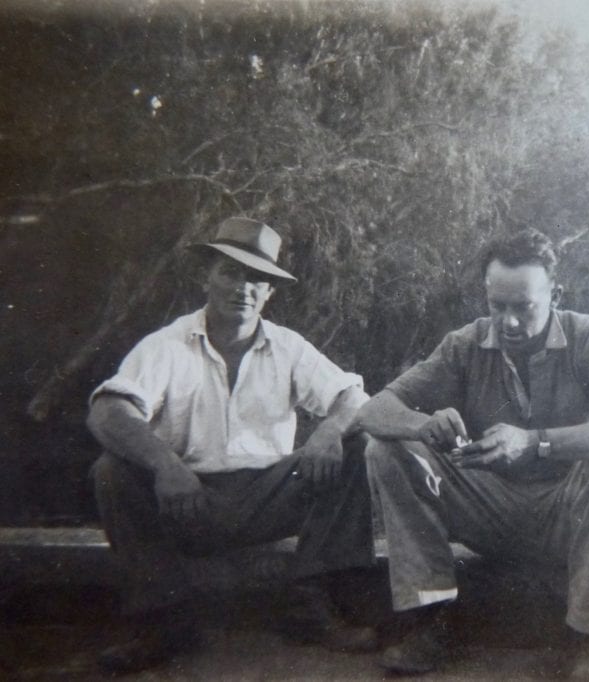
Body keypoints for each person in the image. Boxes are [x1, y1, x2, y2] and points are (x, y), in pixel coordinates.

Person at [358, 228, 589, 677]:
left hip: (568, 514)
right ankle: (432, 619)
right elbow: (374, 410)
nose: (510, 324)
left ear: (555, 294)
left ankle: (586, 635)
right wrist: (423, 425)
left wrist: (535, 441)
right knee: (387, 451)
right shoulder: (465, 344)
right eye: (496, 307)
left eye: (524, 307)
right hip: (491, 510)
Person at [87, 217, 377, 674]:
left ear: (269, 293)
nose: (243, 287)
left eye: (258, 279)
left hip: (268, 497)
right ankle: (162, 622)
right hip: (188, 502)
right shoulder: (167, 345)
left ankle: (312, 604)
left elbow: (354, 397)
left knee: (355, 446)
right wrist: (165, 465)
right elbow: (107, 410)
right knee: (111, 469)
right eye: (231, 272)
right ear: (208, 276)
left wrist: (326, 431)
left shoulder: (288, 347)